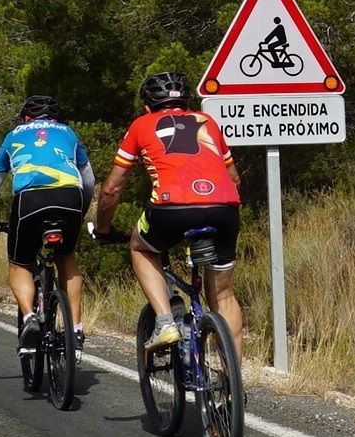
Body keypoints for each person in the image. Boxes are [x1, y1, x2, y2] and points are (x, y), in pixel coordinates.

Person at [91, 73, 245, 352]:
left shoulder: (141, 125)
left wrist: (103, 228)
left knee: (140, 248)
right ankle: (232, 383)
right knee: (223, 295)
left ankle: (165, 323)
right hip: (224, 207)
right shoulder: (208, 122)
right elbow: (234, 178)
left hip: (171, 207)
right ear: (187, 102)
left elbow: (112, 189)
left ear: (147, 106)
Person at [0, 95, 94, 353]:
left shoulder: (13, 135)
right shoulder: (69, 134)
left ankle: (29, 318)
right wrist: (80, 211)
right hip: (70, 198)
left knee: (20, 264)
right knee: (67, 257)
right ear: (55, 118)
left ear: (26, 118)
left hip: (30, 201)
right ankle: (76, 329)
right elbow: (89, 179)